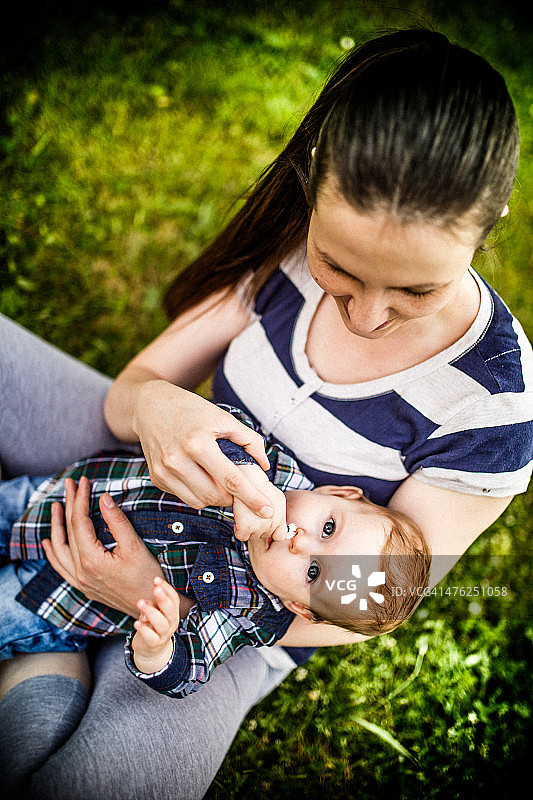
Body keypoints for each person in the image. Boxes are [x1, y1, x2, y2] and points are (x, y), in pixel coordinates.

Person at [0, 26, 531, 800]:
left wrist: (168, 601)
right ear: (312, 183)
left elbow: (365, 601)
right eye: (340, 271)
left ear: (488, 225)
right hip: (132, 473)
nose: (368, 315)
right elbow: (127, 396)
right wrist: (156, 406)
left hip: (240, 626)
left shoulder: (491, 409)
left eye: (415, 289)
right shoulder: (283, 251)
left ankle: (44, 654)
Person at [0, 405, 430, 698]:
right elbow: (220, 427)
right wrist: (241, 477)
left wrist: (157, 650)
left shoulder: (249, 612)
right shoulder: (270, 468)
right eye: (328, 528)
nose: (298, 541)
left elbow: (190, 667)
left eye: (314, 572)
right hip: (54, 498)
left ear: (300, 607)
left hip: (50, 599)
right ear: (337, 492)